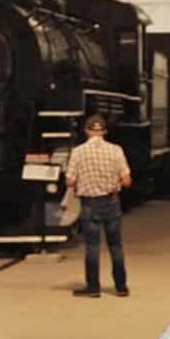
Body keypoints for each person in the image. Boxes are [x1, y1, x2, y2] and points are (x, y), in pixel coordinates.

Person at [65, 114, 132, 298]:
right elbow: (126, 181)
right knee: (116, 246)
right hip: (111, 202)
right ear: (104, 131)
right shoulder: (116, 150)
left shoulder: (78, 152)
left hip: (89, 204)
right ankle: (121, 287)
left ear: (86, 131)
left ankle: (93, 288)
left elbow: (70, 181)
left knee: (92, 246)